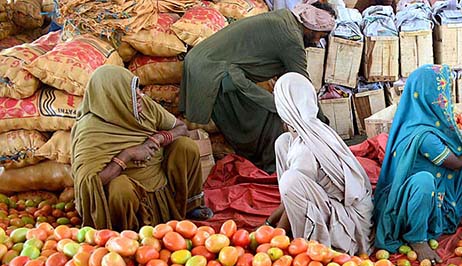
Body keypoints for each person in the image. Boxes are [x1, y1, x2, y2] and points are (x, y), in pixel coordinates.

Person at [373, 65, 462, 262]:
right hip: (411, 198)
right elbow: (455, 163)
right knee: (427, 180)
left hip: (432, 184)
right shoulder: (424, 135)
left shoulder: (421, 118)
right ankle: (417, 237)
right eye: (442, 94)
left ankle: (458, 212)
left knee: (458, 169)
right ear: (429, 97)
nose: (446, 99)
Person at [179, 2, 335, 173]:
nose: (318, 41)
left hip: (205, 64)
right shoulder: (292, 38)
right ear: (311, 26)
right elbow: (302, 85)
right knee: (274, 113)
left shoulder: (284, 19)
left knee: (272, 106)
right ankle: (271, 167)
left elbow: (288, 78)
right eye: (320, 35)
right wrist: (322, 123)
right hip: (214, 72)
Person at [71, 65, 212, 231]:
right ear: (114, 97)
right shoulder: (90, 130)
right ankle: (127, 233)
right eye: (131, 90)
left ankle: (190, 205)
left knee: (185, 146)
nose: (140, 94)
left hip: (162, 185)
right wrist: (126, 155)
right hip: (130, 197)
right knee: (120, 188)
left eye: (137, 87)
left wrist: (158, 138)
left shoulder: (144, 107)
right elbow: (88, 183)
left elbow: (181, 128)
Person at [267, 73, 373, 255]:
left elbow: (294, 189)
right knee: (283, 142)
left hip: (350, 224)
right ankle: (294, 219)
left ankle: (310, 235)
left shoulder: (304, 149)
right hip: (332, 203)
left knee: (290, 180)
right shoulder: (309, 130)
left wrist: (273, 236)